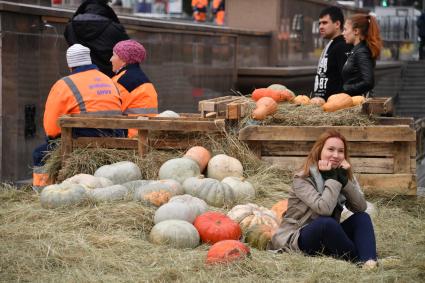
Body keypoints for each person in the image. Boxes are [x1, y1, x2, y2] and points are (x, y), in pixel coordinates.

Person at [270, 130, 378, 270]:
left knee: (362, 218)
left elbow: (360, 207)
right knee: (326, 223)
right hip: (300, 237)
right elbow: (324, 209)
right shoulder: (303, 178)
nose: (336, 155)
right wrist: (332, 179)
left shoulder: (340, 175)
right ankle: (359, 259)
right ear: (319, 151)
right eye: (330, 149)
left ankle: (369, 263)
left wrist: (345, 182)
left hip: (330, 236)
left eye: (340, 151)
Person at [32, 44, 124, 192]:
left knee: (40, 153)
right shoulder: (108, 80)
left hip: (83, 141)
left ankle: (42, 191)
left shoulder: (64, 84)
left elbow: (51, 127)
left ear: (70, 66)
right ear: (90, 62)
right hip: (115, 138)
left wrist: (52, 138)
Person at [64, 0, 129, 77]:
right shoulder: (115, 29)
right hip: (107, 82)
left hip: (78, 80)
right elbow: (127, 54)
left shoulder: (71, 26)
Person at [110, 39, 159, 138]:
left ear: (124, 60)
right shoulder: (145, 80)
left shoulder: (120, 82)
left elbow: (110, 113)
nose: (110, 59)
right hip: (148, 136)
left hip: (129, 137)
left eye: (114, 55)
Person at [313, 6, 352, 101]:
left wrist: (336, 103)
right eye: (320, 23)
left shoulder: (342, 46)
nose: (321, 26)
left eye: (325, 23)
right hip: (322, 107)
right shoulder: (332, 45)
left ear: (337, 24)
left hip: (334, 108)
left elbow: (349, 80)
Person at [341, 13, 383, 96]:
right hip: (355, 102)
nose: (343, 33)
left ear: (356, 31)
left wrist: (344, 89)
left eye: (345, 29)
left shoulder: (361, 52)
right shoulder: (357, 50)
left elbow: (368, 82)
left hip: (359, 103)